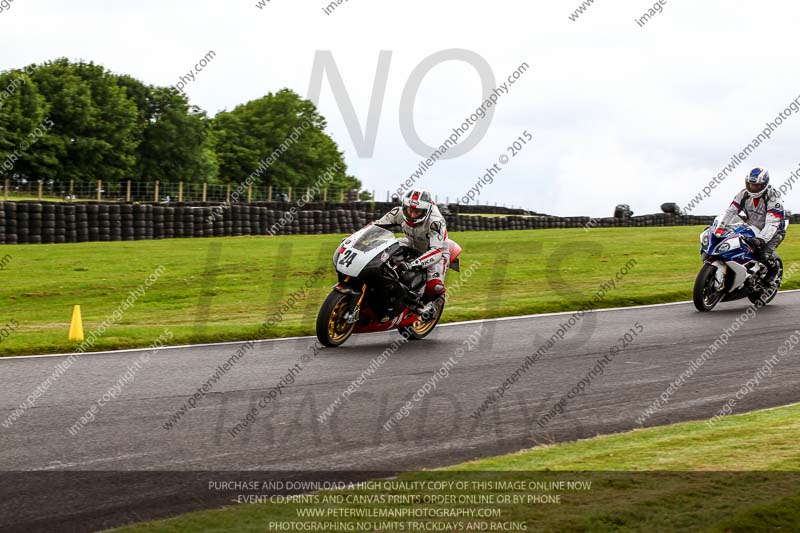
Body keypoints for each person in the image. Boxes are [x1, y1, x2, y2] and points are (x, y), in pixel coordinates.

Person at [373, 189, 449, 305]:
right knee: (381, 253)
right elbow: (376, 226)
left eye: (417, 212)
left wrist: (412, 264)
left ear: (426, 211)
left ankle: (432, 304)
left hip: (435, 252)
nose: (412, 215)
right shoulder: (398, 212)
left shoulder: (436, 222)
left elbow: (436, 252)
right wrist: (355, 238)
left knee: (434, 287)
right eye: (410, 210)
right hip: (410, 242)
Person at [722, 167, 787, 285]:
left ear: (764, 184)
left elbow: (772, 223)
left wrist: (761, 240)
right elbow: (731, 211)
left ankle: (773, 271)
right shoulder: (743, 194)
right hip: (752, 225)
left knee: (762, 254)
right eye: (751, 184)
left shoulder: (773, 197)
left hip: (775, 229)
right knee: (736, 242)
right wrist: (720, 226)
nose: (753, 187)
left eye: (757, 185)